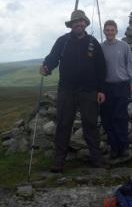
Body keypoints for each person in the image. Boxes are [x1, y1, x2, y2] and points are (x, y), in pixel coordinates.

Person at [40, 9, 106, 173]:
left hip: (89, 90)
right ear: (72, 24)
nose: (79, 24)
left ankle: (96, 159)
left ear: (85, 23)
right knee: (63, 124)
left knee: (90, 124)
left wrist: (101, 90)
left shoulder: (93, 42)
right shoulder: (62, 41)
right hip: (66, 89)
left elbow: (101, 67)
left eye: (81, 21)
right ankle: (58, 161)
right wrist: (46, 67)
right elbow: (53, 58)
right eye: (76, 22)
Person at [100, 19, 132, 159]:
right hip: (106, 87)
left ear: (116, 31)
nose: (110, 32)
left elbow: (130, 63)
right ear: (104, 31)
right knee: (108, 119)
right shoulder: (100, 47)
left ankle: (124, 147)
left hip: (122, 86)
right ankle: (114, 148)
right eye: (107, 30)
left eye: (112, 30)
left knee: (121, 117)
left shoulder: (124, 46)